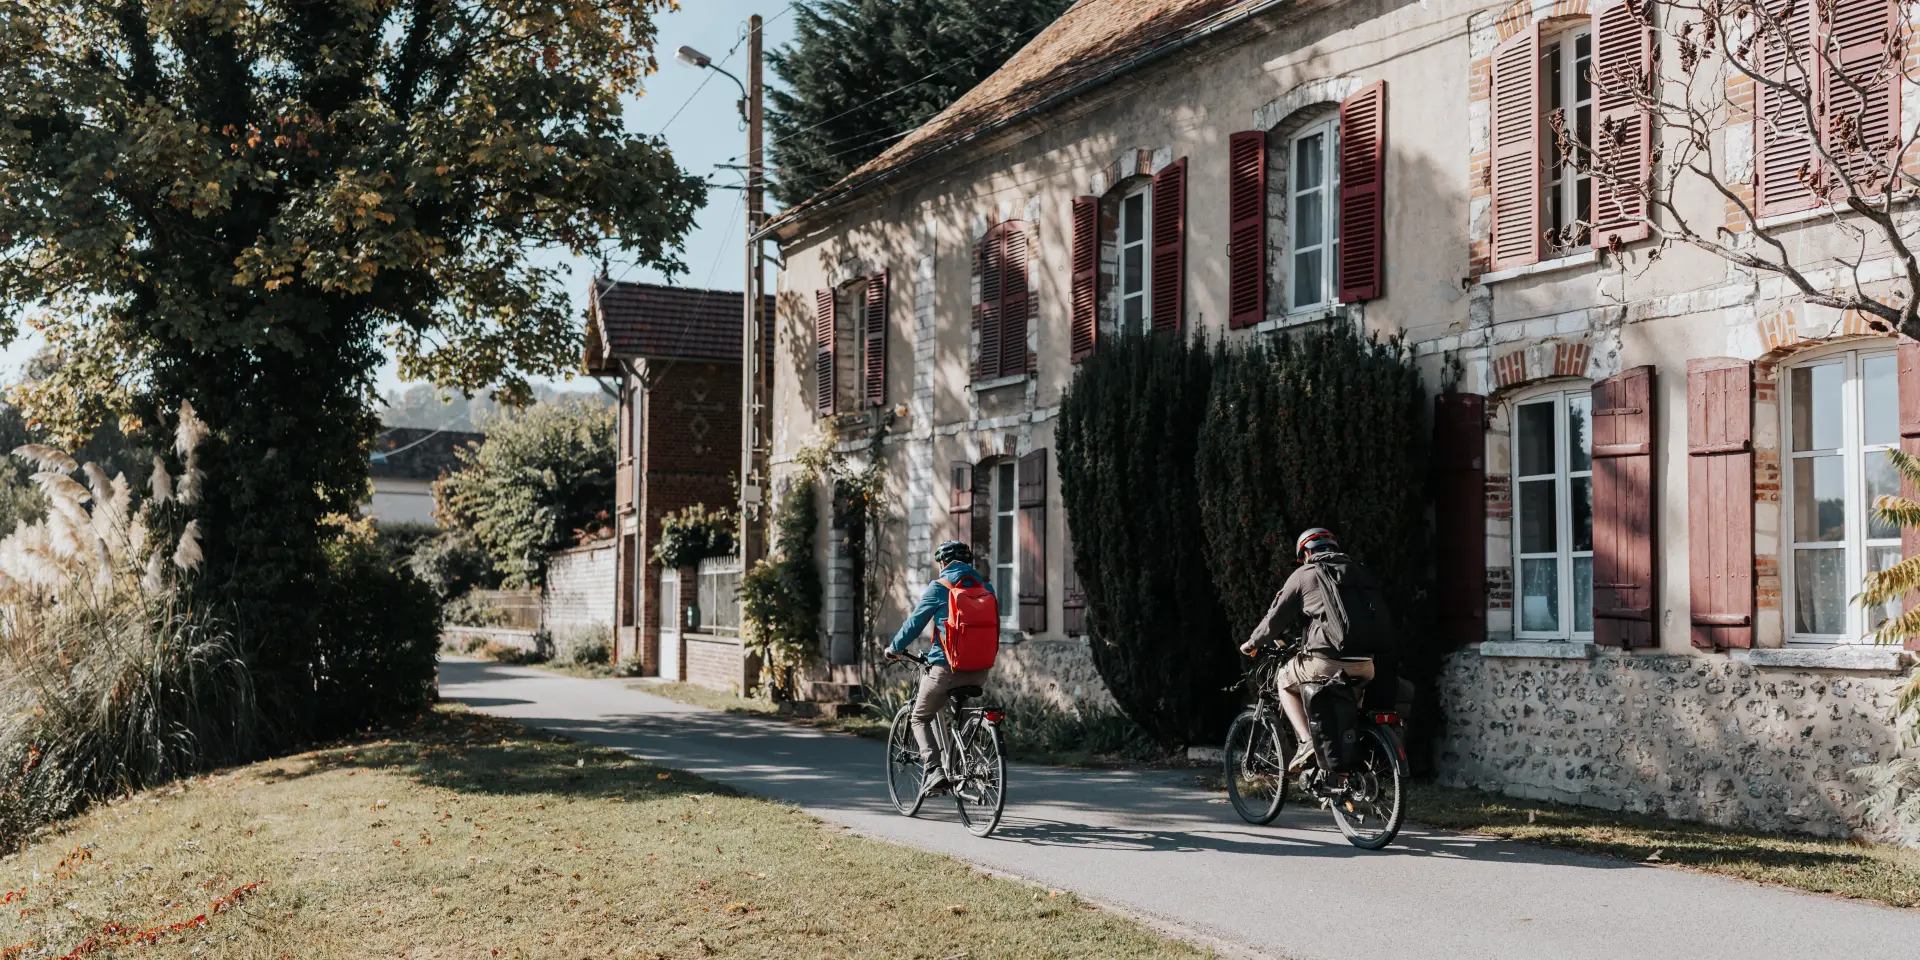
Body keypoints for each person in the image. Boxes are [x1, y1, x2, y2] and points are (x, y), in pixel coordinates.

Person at [1239, 528, 1388, 773]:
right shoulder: (1357, 570)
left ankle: (1307, 741)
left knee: (1284, 680)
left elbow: (1274, 619)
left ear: (1306, 552)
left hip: (1326, 661)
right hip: (1366, 663)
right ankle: (1342, 782)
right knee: (1346, 722)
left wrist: (1252, 643)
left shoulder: (1305, 573)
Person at [887, 539, 997, 795]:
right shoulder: (986, 588)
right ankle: (971, 763)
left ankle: (934, 770)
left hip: (945, 670)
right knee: (959, 715)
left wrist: (893, 648)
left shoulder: (940, 587)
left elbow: (914, 624)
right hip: (980, 671)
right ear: (968, 563)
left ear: (943, 563)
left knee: (919, 716)